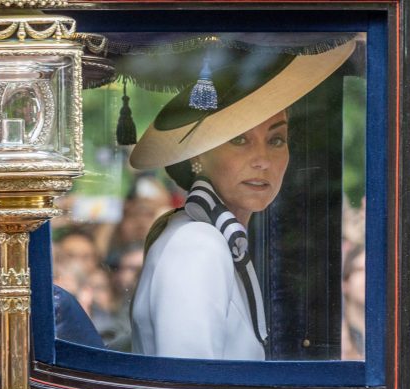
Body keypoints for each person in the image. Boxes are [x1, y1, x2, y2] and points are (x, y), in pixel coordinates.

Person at [128, 39, 356, 360]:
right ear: (199, 157)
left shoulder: (209, 237)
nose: (263, 159)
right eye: (239, 140)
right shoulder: (198, 244)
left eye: (276, 139)